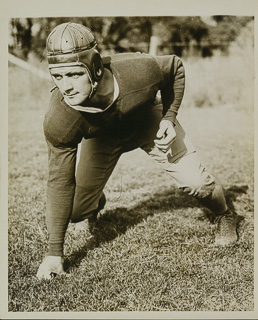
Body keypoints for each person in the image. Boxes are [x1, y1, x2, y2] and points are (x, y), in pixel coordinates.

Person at [36, 22, 238, 280]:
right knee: (75, 211)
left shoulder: (137, 70)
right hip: (102, 138)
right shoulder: (59, 118)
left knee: (197, 183)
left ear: (95, 67)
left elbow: (174, 66)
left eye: (74, 74)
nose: (66, 86)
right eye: (58, 76)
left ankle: (224, 214)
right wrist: (54, 254)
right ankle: (93, 201)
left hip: (148, 122)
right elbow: (59, 182)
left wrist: (169, 118)